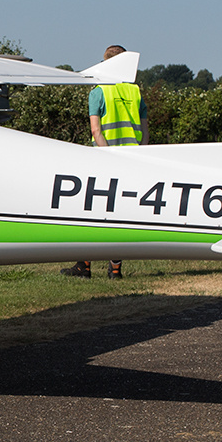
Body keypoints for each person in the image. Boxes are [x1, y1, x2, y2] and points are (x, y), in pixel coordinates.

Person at [72, 44, 144, 279]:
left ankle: (84, 265)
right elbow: (145, 130)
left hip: (105, 159)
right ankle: (115, 269)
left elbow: (96, 130)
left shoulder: (99, 91)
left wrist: (106, 157)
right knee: (121, 216)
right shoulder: (135, 92)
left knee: (90, 212)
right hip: (133, 159)